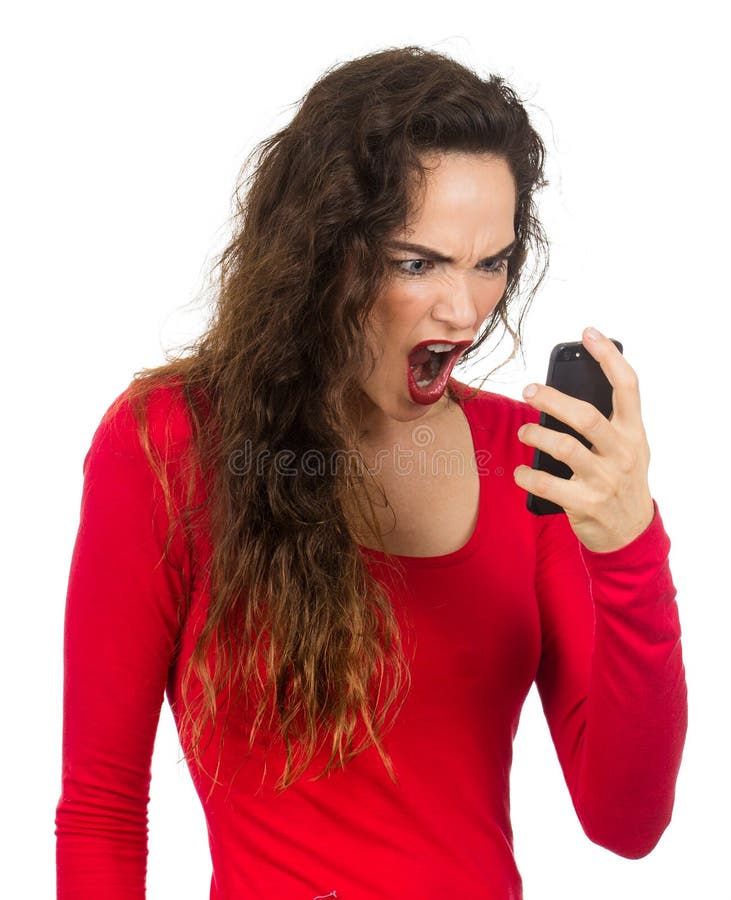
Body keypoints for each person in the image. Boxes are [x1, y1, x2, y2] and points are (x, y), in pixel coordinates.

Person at [54, 45, 688, 899]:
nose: (463, 311)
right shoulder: (169, 443)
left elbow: (626, 823)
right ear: (322, 251)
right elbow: (102, 806)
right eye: (415, 262)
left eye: (490, 262)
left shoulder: (523, 460)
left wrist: (628, 550)